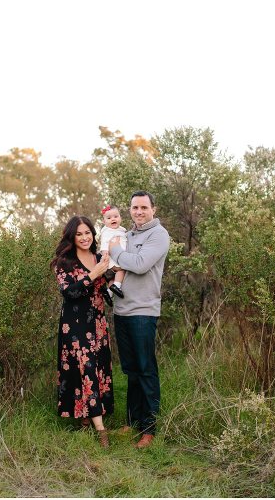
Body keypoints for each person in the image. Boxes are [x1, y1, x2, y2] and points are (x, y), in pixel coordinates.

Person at [108, 191, 170, 449]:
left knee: (145, 370)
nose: (139, 211)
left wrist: (117, 254)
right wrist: (115, 259)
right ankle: (132, 422)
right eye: (135, 207)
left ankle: (149, 428)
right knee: (131, 370)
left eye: (144, 207)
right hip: (121, 311)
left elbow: (142, 264)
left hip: (143, 312)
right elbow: (116, 265)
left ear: (153, 209)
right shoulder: (128, 235)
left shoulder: (159, 235)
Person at [51, 216, 115, 448]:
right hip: (75, 326)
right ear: (72, 236)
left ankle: (86, 418)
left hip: (97, 324)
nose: (85, 237)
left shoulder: (100, 257)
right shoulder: (63, 262)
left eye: (88, 232)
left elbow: (106, 294)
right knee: (86, 369)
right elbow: (69, 292)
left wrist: (110, 280)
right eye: (79, 234)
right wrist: (93, 274)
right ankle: (101, 430)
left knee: (97, 369)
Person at [97, 204, 127, 299]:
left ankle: (109, 293)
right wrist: (105, 252)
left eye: (116, 216)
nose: (113, 219)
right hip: (113, 259)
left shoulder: (121, 230)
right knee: (121, 270)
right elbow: (105, 243)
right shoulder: (107, 231)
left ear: (120, 218)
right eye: (109, 218)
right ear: (104, 221)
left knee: (112, 278)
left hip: (117, 257)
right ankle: (117, 286)